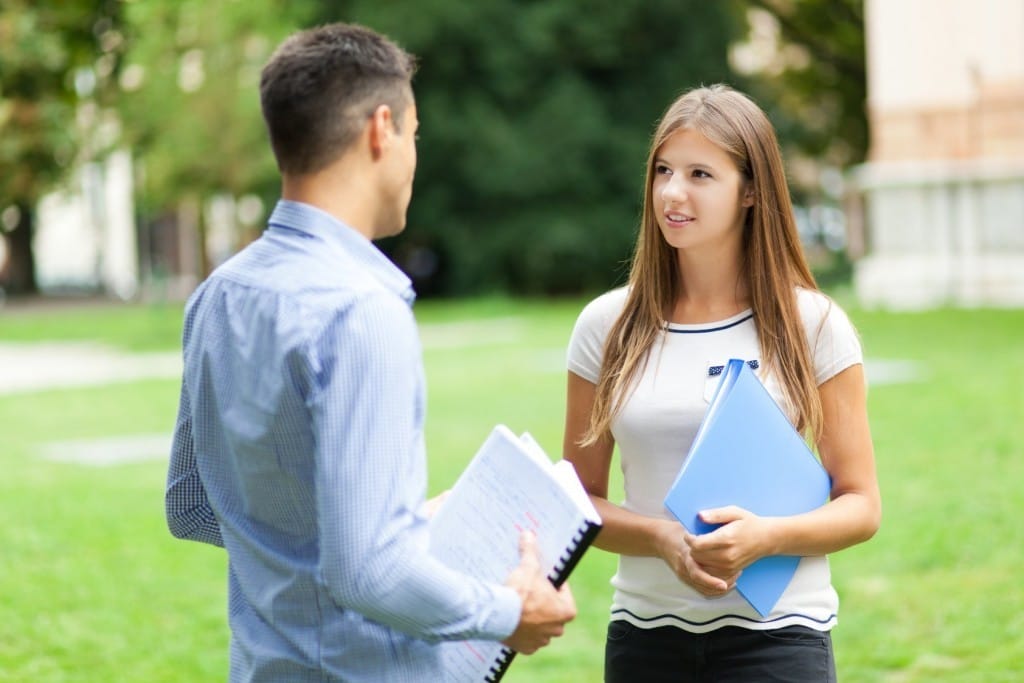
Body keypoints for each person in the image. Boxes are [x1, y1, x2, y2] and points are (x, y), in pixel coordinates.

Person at [165, 22, 575, 682]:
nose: (415, 155)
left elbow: (192, 504)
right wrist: (509, 610)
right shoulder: (361, 311)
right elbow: (369, 570)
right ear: (382, 129)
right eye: (416, 135)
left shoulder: (216, 295)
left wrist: (381, 522)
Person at [563, 84, 881, 682]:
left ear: (752, 191)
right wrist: (663, 539)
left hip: (781, 640)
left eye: (700, 174)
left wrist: (766, 538)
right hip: (645, 639)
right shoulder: (605, 325)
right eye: (663, 170)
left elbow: (861, 506)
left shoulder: (813, 324)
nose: (672, 193)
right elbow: (577, 501)